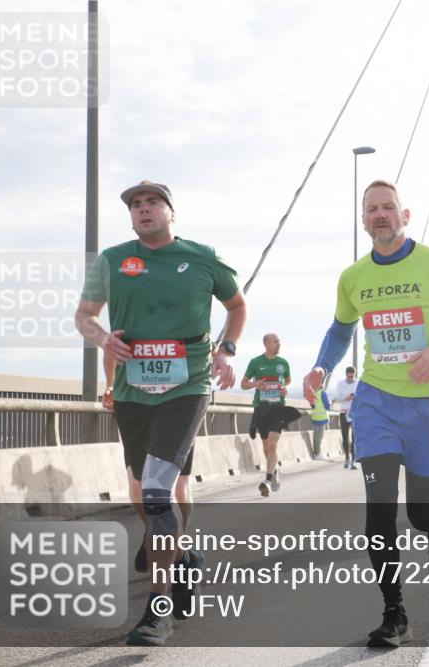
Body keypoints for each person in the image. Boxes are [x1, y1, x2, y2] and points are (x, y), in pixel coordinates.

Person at [302, 180, 429, 648]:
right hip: (376, 403)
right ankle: (394, 614)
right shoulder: (353, 277)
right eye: (371, 209)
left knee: (421, 512)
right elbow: (341, 329)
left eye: (388, 208)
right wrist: (322, 365)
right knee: (379, 514)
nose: (380, 215)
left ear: (405, 215)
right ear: (364, 220)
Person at [76, 180, 245, 646]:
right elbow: (85, 315)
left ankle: (159, 609)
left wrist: (227, 349)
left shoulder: (203, 257)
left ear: (171, 211)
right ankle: (182, 554)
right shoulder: (112, 260)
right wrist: (101, 338)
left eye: (152, 202)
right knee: (139, 489)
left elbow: (236, 305)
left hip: (187, 386)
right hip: (134, 392)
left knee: (157, 491)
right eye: (135, 204)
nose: (143, 209)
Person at [103, 351, 196, 573]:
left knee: (177, 491)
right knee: (137, 491)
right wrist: (110, 384)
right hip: (136, 411)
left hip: (178, 411)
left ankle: (179, 549)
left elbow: (205, 356)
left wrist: (219, 354)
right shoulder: (130, 324)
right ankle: (156, 535)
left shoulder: (187, 324)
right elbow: (109, 349)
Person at [242, 333, 291, 496]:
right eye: (276, 341)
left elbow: (288, 380)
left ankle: (268, 480)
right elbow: (243, 384)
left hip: (278, 407)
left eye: (279, 341)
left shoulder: (283, 363)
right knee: (265, 446)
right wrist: (257, 384)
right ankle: (274, 470)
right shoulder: (255, 362)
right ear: (267, 344)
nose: (279, 344)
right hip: (261, 408)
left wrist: (286, 389)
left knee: (273, 444)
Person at [333, 366, 359, 469]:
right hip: (344, 413)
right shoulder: (340, 384)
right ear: (346, 375)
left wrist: (354, 397)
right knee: (345, 437)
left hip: (355, 413)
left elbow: (362, 397)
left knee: (354, 437)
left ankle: (353, 460)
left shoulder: (358, 383)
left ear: (354, 375)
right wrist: (346, 398)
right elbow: (337, 399)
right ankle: (347, 457)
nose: (350, 379)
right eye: (348, 377)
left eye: (352, 377)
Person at [308, 386, 332, 460]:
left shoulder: (312, 392)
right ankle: (317, 454)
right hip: (322, 417)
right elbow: (328, 406)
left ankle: (316, 453)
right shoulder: (322, 393)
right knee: (319, 437)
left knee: (316, 436)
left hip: (315, 416)